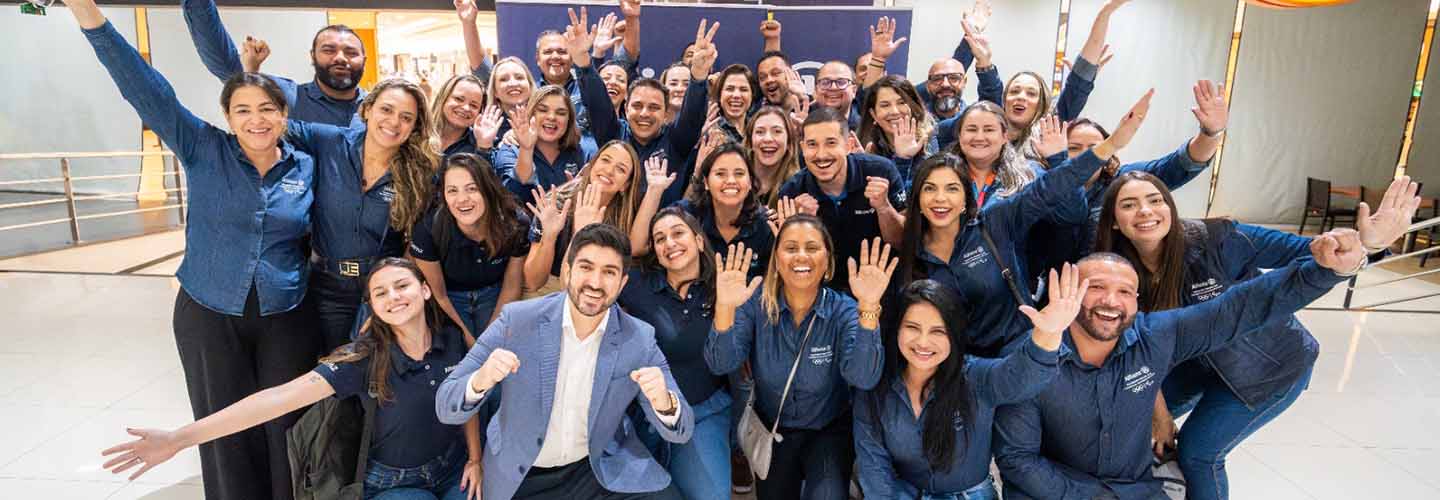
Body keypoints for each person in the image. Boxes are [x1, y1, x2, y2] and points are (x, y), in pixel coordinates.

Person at [66, 2, 319, 498]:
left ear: (285, 114)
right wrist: (87, 13)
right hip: (208, 312)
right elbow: (143, 87)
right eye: (243, 110)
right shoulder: (204, 147)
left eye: (268, 109)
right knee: (223, 428)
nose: (256, 120)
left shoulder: (307, 166)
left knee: (286, 426)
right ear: (227, 115)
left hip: (286, 315)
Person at [1093, 174, 1421, 500]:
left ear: (1170, 208)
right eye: (1129, 205)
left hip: (1268, 368)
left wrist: (1368, 245)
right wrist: (1159, 416)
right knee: (1123, 415)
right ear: (1115, 222)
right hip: (1195, 364)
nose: (1145, 211)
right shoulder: (1115, 269)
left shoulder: (1217, 238)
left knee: (1198, 453)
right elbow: (1134, 351)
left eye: (1155, 200)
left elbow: (1313, 253)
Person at [993, 232, 1382, 500]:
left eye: (1125, 291)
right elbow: (1017, 460)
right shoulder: (1029, 359)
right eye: (1096, 287)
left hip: (1137, 491)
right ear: (1069, 290)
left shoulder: (1155, 335)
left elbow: (1238, 308)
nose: (1111, 301)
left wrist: (1327, 271)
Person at [101, 258, 484, 500]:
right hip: (395, 484)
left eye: (402, 285)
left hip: (450, 468)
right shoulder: (363, 358)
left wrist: (475, 459)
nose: (394, 297)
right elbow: (278, 398)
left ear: (426, 290)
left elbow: (465, 403)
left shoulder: (451, 341)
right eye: (380, 292)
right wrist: (179, 438)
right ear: (374, 307)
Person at [437, 223, 693, 500]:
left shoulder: (640, 339)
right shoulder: (517, 320)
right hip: (525, 474)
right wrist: (481, 379)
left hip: (596, 468)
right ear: (568, 272)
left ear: (622, 283)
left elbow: (682, 430)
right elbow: (446, 406)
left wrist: (664, 403)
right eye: (586, 267)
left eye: (609, 272)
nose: (595, 283)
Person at [894, 90, 1149, 358]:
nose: (940, 198)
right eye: (930, 189)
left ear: (965, 199)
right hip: (945, 360)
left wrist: (1111, 145)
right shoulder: (913, 248)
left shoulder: (997, 219)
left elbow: (1052, 187)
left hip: (1010, 352)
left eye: (952, 189)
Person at [854, 268, 1085, 500]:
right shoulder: (876, 383)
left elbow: (1020, 378)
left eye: (938, 331)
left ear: (954, 336)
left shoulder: (975, 376)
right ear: (897, 330)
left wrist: (1049, 334)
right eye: (912, 328)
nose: (923, 342)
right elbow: (874, 467)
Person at [705, 219, 894, 499]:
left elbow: (863, 377)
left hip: (828, 432)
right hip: (774, 429)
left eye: (812, 247)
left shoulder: (843, 311)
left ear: (828, 263)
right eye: (791, 247)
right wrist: (724, 307)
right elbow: (721, 363)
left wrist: (868, 307)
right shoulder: (756, 305)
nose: (801, 256)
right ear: (777, 262)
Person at [286, 77, 438, 350]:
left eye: (406, 117)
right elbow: (269, 124)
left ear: (414, 127)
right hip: (327, 288)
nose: (394, 122)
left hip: (384, 290)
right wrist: (249, 70)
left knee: (379, 377)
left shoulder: (419, 172)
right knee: (336, 374)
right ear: (367, 109)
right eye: (386, 110)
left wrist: (389, 293)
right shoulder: (328, 141)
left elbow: (415, 242)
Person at [618, 208, 734, 500]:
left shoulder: (723, 287)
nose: (669, 243)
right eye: (660, 239)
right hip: (643, 414)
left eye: (678, 233)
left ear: (698, 241)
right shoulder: (636, 284)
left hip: (702, 411)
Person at [777, 108, 906, 294]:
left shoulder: (881, 171)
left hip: (882, 287)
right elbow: (789, 268)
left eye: (831, 143)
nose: (821, 155)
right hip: (823, 294)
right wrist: (804, 227)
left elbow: (902, 241)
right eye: (812, 145)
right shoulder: (792, 192)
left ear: (848, 145)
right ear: (803, 148)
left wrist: (884, 208)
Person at [589, 19, 715, 208]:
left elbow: (691, 118)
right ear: (626, 108)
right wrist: (584, 63)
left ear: (666, 114)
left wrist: (697, 77)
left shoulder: (675, 140)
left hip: (663, 232)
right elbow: (596, 102)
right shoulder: (613, 135)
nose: (644, 113)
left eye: (654, 108)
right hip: (613, 228)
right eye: (637, 105)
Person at [182, 0, 365, 126]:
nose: (340, 57)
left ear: (364, 60)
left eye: (351, 52)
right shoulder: (288, 98)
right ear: (312, 56)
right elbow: (227, 67)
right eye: (328, 50)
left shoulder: (379, 107)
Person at [410, 153, 531, 340]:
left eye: (472, 188)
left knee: (499, 347)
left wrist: (490, 339)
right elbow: (439, 295)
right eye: (452, 191)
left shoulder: (514, 222)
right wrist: (466, 339)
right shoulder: (428, 228)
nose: (462, 199)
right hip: (449, 298)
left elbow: (512, 285)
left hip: (494, 292)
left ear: (488, 189)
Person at [523, 142, 647, 293]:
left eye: (620, 169)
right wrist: (549, 237)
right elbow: (533, 282)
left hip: (590, 289)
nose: (609, 170)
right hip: (547, 285)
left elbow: (570, 288)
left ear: (625, 185)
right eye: (605, 160)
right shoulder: (557, 204)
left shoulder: (625, 217)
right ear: (591, 165)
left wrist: (581, 232)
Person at [636, 143, 775, 278]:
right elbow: (638, 247)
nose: (731, 180)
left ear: (750, 182)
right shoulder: (686, 213)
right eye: (720, 174)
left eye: (739, 173)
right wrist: (654, 190)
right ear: (706, 183)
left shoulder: (766, 224)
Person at [493, 85, 590, 206]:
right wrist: (526, 149)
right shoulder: (510, 148)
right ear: (531, 114)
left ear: (569, 120)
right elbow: (519, 187)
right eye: (543, 110)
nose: (551, 117)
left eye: (561, 113)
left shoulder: (583, 152)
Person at [859, 75, 939, 189]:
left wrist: (903, 159)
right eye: (885, 105)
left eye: (901, 102)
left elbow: (913, 196)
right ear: (873, 114)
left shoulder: (929, 139)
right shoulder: (865, 146)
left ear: (914, 105)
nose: (895, 111)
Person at [428, 74, 496, 158]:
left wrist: (483, 148)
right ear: (443, 98)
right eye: (459, 99)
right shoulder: (419, 132)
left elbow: (485, 171)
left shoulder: (483, 142)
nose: (466, 108)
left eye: (473, 105)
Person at [711, 64, 760, 144]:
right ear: (720, 94)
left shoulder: (758, 128)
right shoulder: (709, 132)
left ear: (752, 95)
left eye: (743, 89)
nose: (736, 95)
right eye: (730, 89)